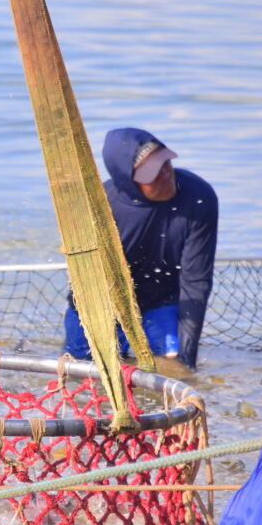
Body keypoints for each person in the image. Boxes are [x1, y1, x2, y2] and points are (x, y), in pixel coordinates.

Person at [63, 127, 218, 369]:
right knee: (83, 372)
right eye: (152, 175)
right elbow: (86, 279)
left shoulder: (199, 196)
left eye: (165, 164)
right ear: (127, 180)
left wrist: (186, 359)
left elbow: (196, 280)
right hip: (100, 303)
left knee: (176, 367)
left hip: (161, 301)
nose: (166, 176)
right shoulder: (101, 208)